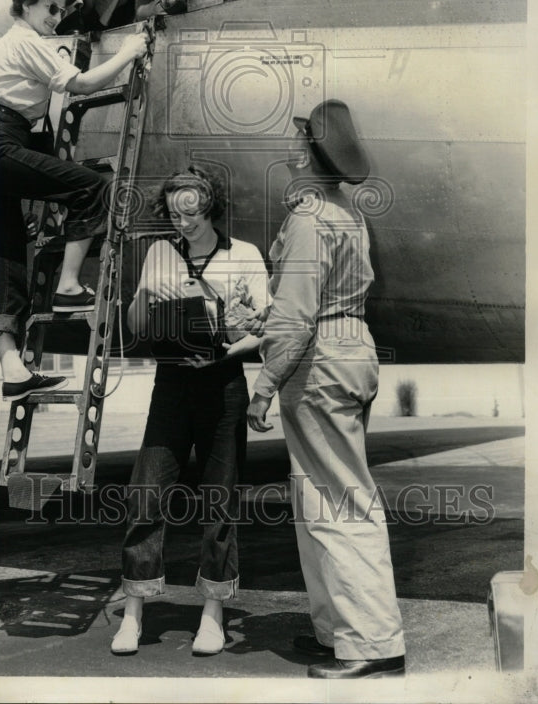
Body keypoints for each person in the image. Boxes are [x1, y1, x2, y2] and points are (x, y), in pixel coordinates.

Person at [247, 100, 406, 679]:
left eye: (297, 140)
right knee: (320, 500)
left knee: (339, 503)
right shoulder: (345, 210)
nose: (288, 149)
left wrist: (263, 385)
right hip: (348, 349)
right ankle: (339, 631)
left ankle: (372, 643)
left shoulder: (311, 217)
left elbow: (293, 318)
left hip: (319, 360)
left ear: (314, 153)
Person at [0, 0, 149, 398]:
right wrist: (131, 51)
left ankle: (13, 372)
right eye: (50, 7)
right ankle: (68, 287)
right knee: (92, 188)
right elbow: (81, 84)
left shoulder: (15, 44)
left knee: (2, 262)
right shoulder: (25, 40)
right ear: (25, 5)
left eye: (62, 10)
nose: (57, 17)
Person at [111, 167, 269, 657]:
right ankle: (134, 612)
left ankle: (213, 613)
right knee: (145, 494)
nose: (184, 224)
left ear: (210, 207)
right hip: (172, 382)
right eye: (175, 215)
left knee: (218, 505)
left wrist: (222, 352)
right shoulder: (159, 252)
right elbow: (135, 328)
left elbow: (265, 327)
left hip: (222, 385)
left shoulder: (244, 255)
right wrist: (143, 297)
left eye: (192, 213)